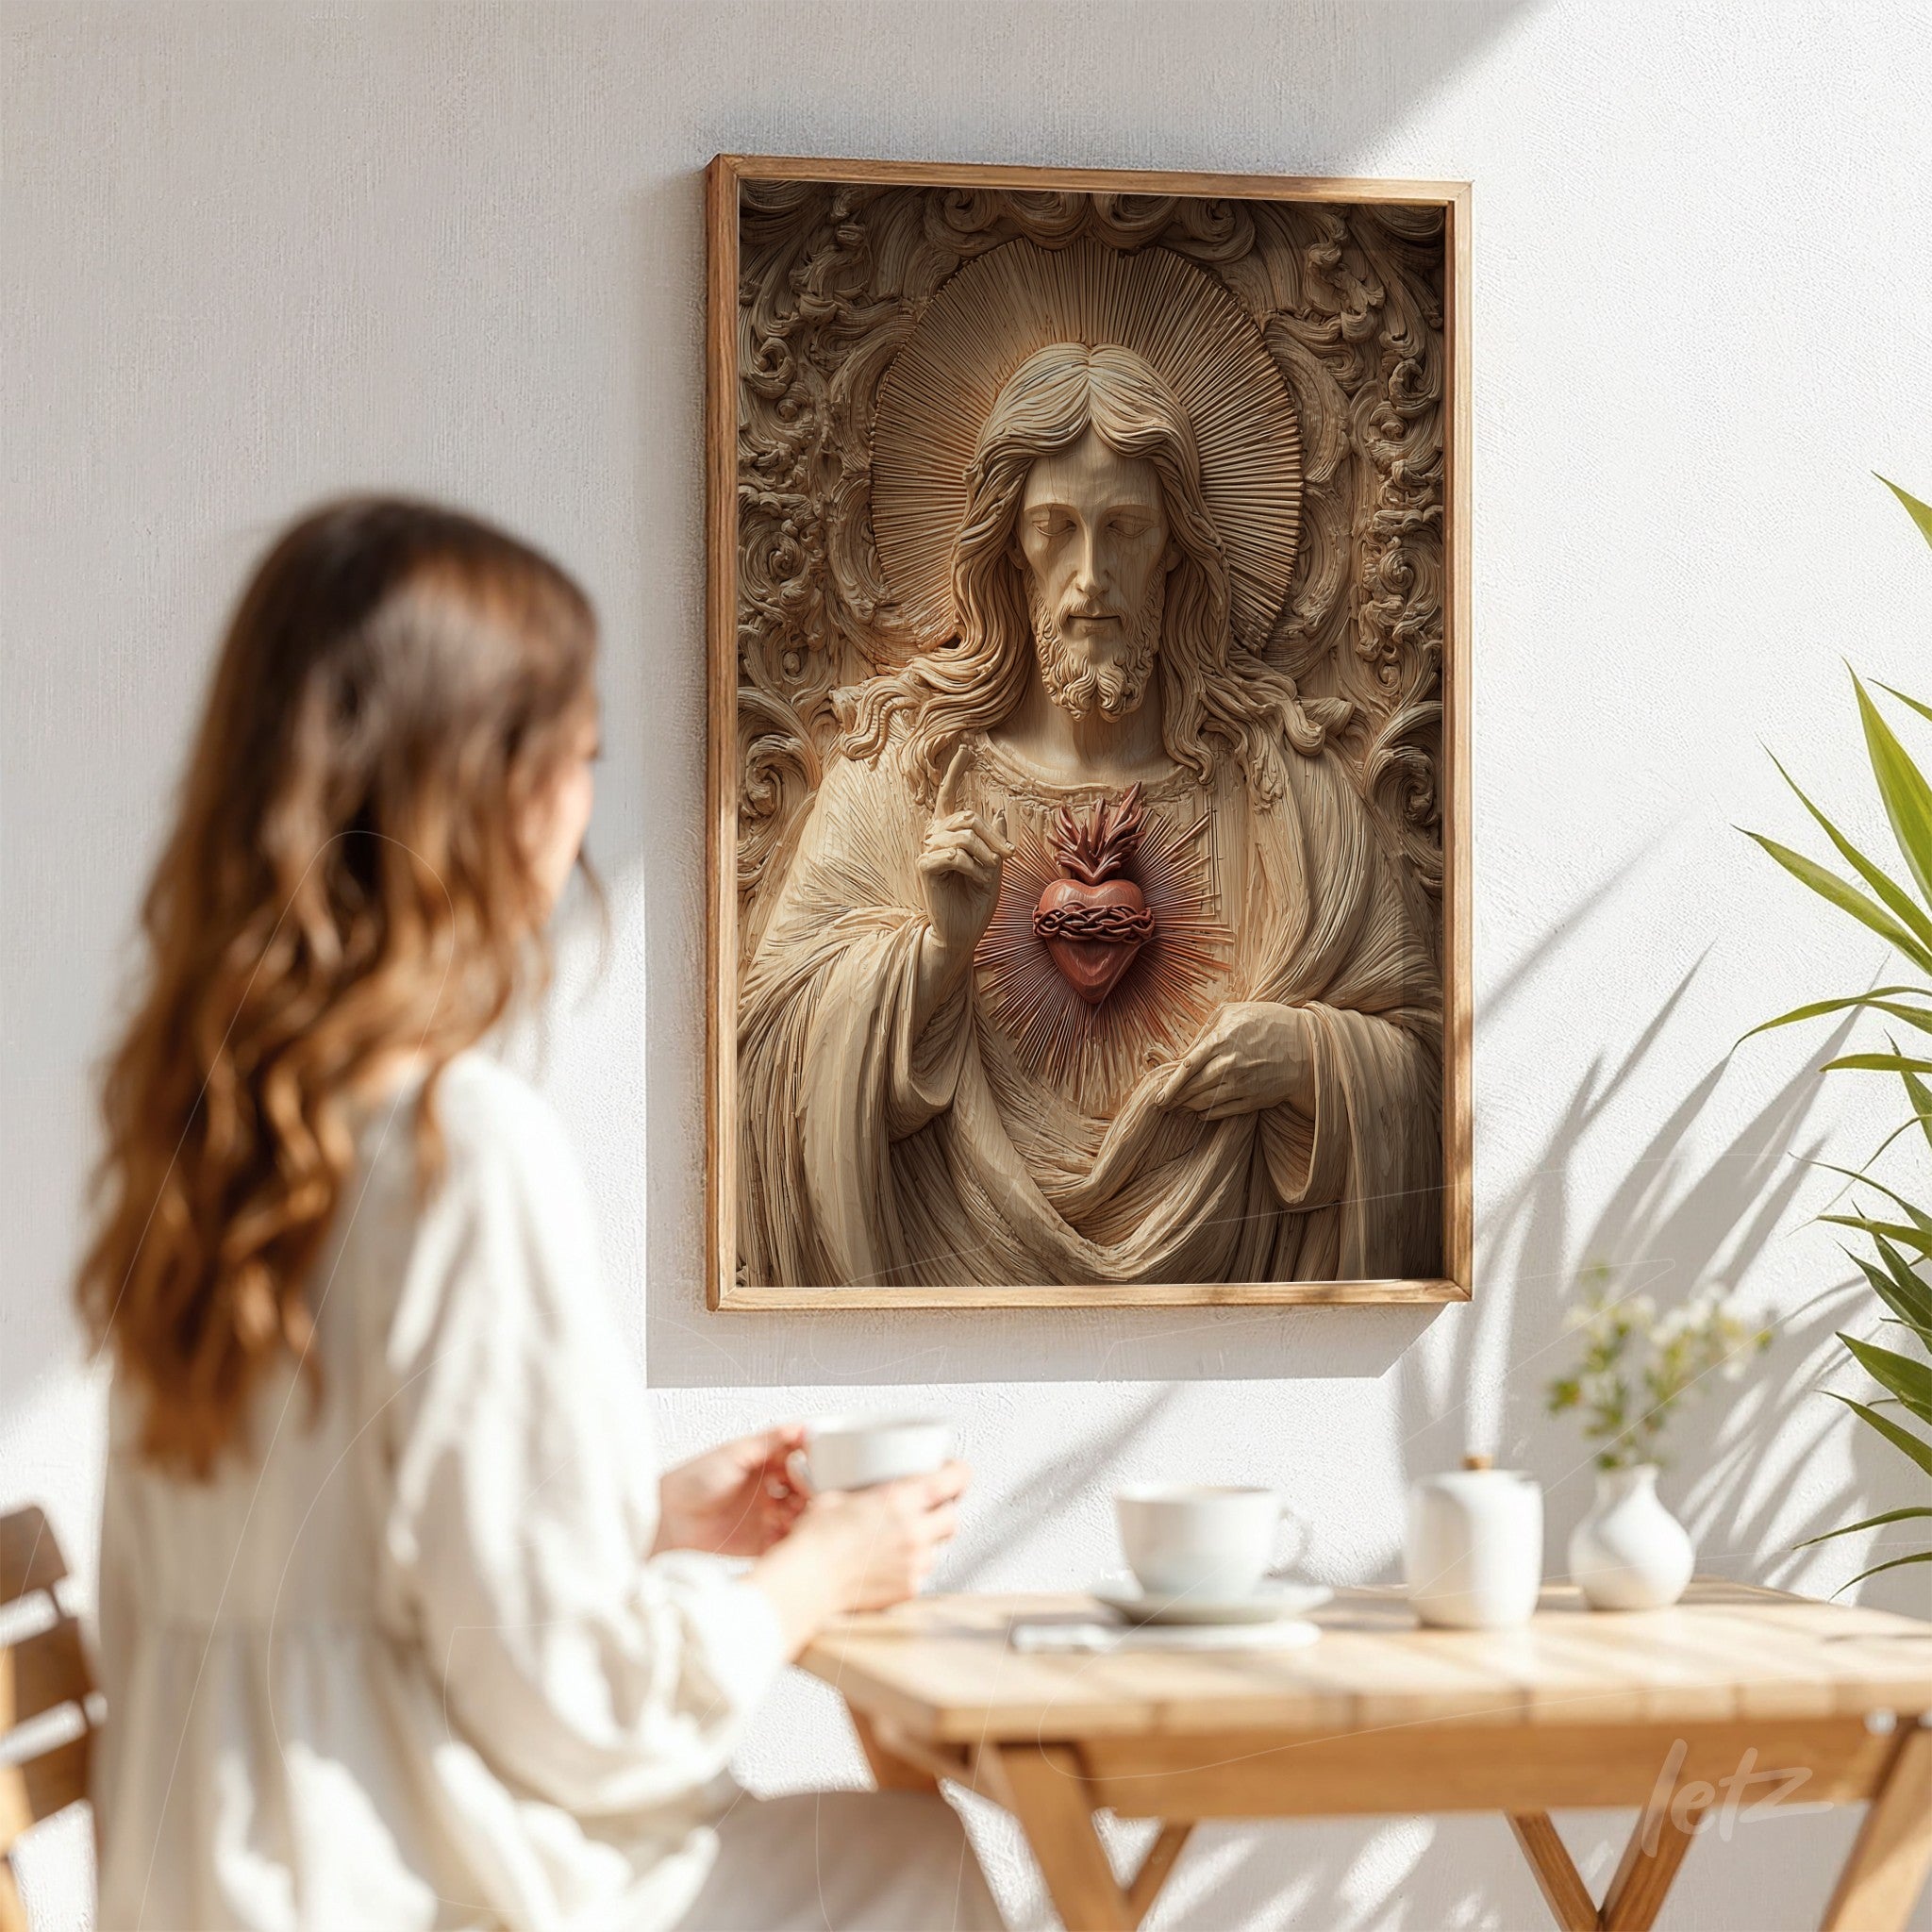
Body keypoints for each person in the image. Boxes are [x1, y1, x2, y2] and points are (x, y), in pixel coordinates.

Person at [76, 498, 1002, 1932]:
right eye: (577, 759)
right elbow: (576, 1702)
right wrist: (815, 1575)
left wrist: (633, 1524)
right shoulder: (454, 1153)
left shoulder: (202, 1141)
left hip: (211, 1876)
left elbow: (340, 1573)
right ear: (486, 793)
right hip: (403, 1881)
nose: (585, 805)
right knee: (913, 1867)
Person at [740, 341, 1441, 1290]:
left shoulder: (1287, 795)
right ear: (1005, 549)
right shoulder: (902, 778)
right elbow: (770, 1063)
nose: (1088, 579)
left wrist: (1313, 1058)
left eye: (1124, 530)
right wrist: (932, 959)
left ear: (1174, 550)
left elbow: (1431, 1072)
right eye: (1055, 530)